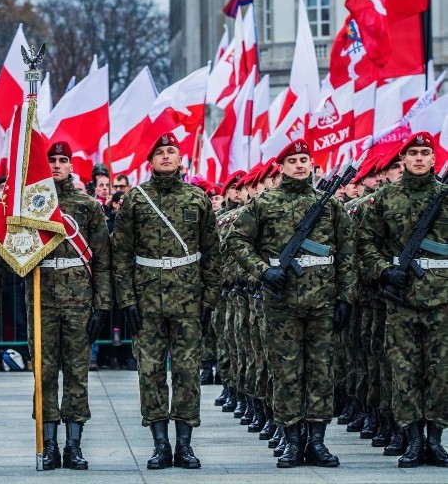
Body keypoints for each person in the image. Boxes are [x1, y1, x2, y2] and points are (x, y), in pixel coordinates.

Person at [228, 139, 356, 469]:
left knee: (321, 373)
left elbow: (347, 254)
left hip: (322, 303)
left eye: (305, 159)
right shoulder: (265, 203)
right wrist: (262, 271)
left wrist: (345, 298)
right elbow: (237, 242)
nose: (300, 165)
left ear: (312, 165)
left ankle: (317, 442)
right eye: (293, 160)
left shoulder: (329, 206)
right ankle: (291, 441)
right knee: (285, 373)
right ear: (281, 167)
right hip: (281, 303)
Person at [112, 133, 221, 470]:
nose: (166, 157)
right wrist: (127, 300)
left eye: (171, 152)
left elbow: (212, 253)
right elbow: (121, 254)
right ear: (151, 161)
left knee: (188, 372)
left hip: (189, 299)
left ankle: (185, 446)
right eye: (159, 153)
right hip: (147, 300)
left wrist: (210, 299)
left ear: (180, 158)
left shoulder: (197, 198)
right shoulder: (135, 200)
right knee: (151, 372)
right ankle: (160, 445)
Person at [358, 132, 448, 468]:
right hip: (402, 299)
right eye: (414, 153)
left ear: (434, 159)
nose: (420, 158)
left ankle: (436, 441)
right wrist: (383, 271)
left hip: (442, 300)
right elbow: (365, 245)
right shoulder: (385, 198)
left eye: (426, 153)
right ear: (404, 159)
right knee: (405, 373)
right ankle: (412, 441)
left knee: (441, 374)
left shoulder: (445, 196)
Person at [29, 141, 112, 470]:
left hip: (79, 302)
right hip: (42, 299)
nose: (57, 166)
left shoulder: (87, 206)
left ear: (71, 165)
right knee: (44, 375)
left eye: (63, 160)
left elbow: (103, 259)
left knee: (77, 374)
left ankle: (73, 446)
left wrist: (102, 306)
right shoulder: (32, 204)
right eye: (51, 160)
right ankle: (48, 444)